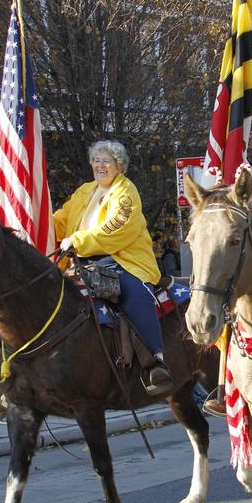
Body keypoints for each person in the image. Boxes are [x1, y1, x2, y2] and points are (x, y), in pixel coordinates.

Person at [53, 140, 172, 394]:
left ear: (119, 166)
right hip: (83, 259)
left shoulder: (126, 193)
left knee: (133, 293)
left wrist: (77, 240)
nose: (100, 165)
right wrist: (38, 223)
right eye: (96, 160)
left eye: (106, 161)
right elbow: (61, 219)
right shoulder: (85, 191)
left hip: (122, 259)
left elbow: (116, 229)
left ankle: (155, 363)